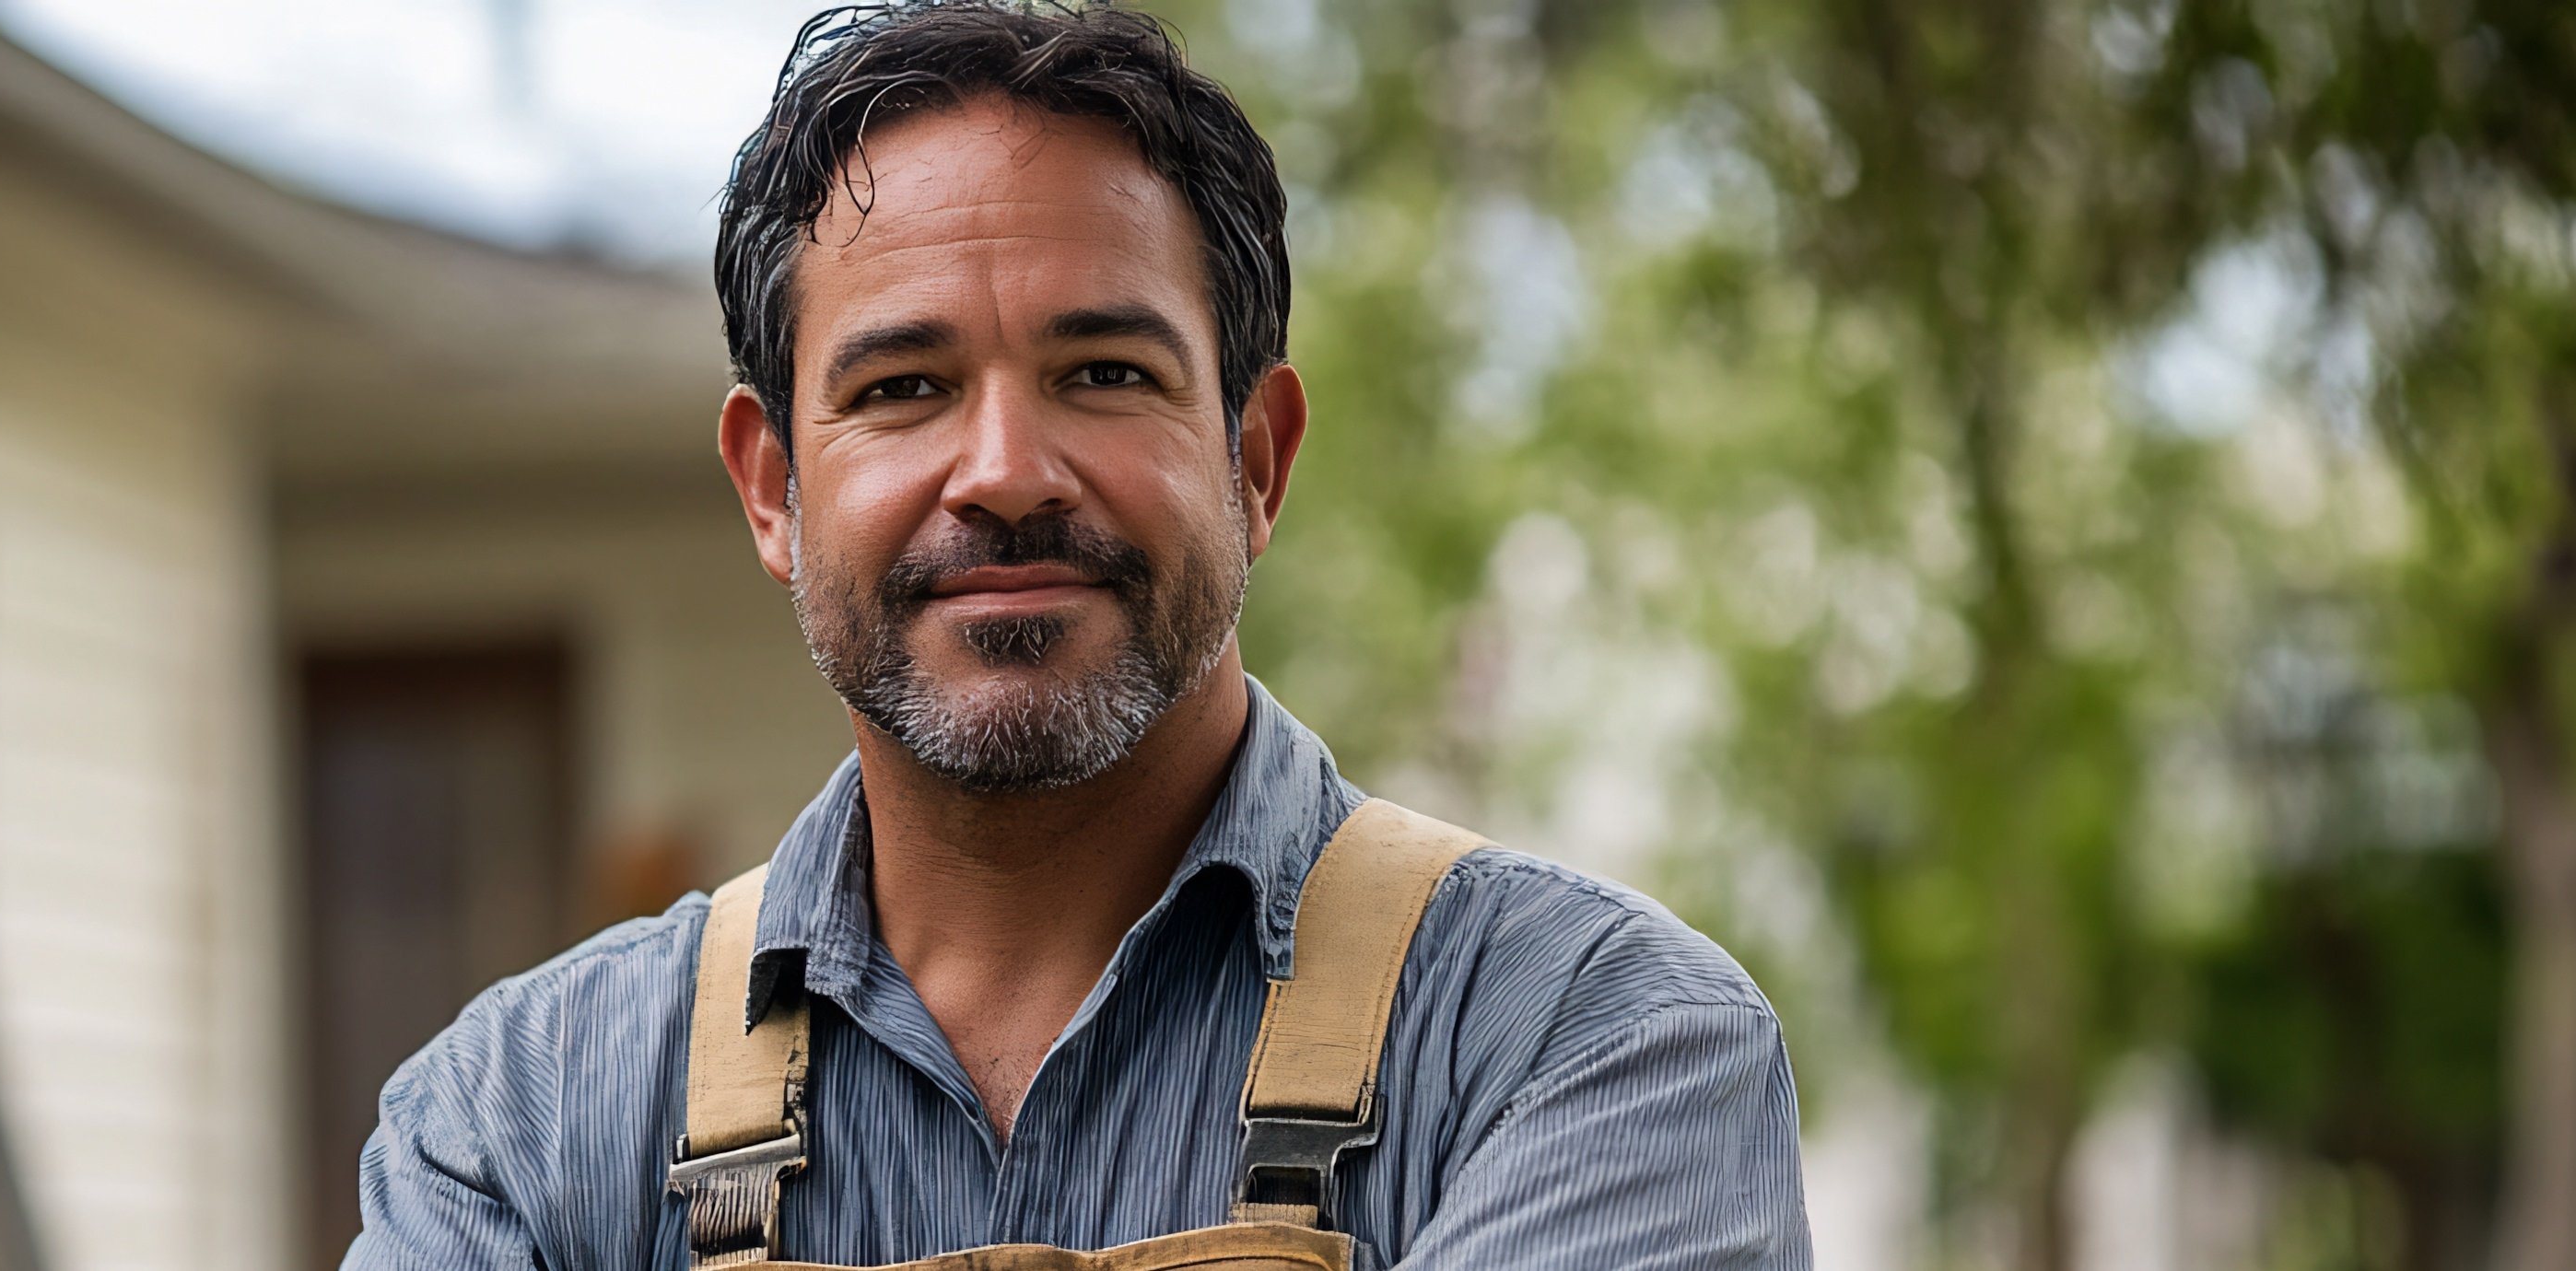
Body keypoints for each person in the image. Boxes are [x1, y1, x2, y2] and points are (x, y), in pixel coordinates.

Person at [343, 4, 1811, 1267]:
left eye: (1102, 369)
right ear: (774, 487)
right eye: (903, 387)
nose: (1004, 471)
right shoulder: (509, 1130)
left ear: (1256, 461)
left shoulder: (1591, 1044)